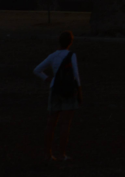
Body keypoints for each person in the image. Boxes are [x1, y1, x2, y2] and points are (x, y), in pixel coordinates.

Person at [34, 30, 82, 163]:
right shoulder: (71, 55)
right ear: (70, 42)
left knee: (51, 124)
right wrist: (79, 91)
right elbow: (76, 75)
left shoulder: (52, 56)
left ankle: (47, 154)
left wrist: (48, 79)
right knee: (65, 124)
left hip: (55, 90)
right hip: (68, 91)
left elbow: (37, 70)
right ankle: (61, 154)